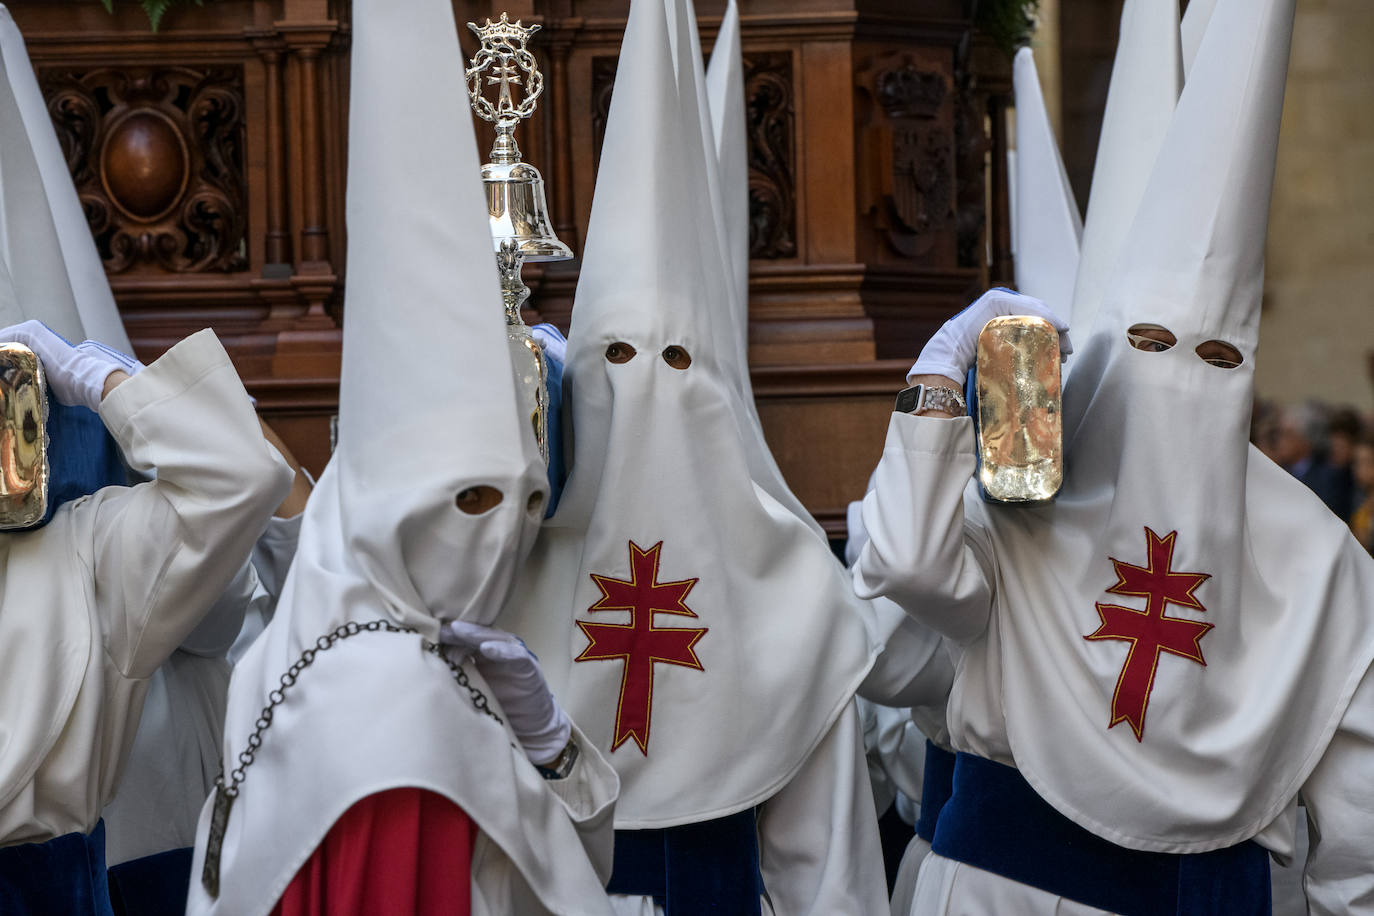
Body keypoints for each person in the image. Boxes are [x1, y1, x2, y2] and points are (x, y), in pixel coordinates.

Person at [854, 0, 1374, 911]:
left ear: (1247, 364)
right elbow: (902, 565)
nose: (1178, 378)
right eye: (1145, 343)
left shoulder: (1324, 559)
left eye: (1214, 359)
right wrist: (941, 380)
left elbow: (1360, 836)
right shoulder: (1024, 498)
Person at [185, 2, 618, 913]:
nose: (499, 542)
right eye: (469, 500)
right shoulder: (398, 706)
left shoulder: (298, 656)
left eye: (523, 502)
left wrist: (548, 745)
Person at [498, 0, 885, 912]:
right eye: (616, 361)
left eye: (677, 362)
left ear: (720, 385)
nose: (646, 391)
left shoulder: (796, 592)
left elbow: (824, 874)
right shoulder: (498, 569)